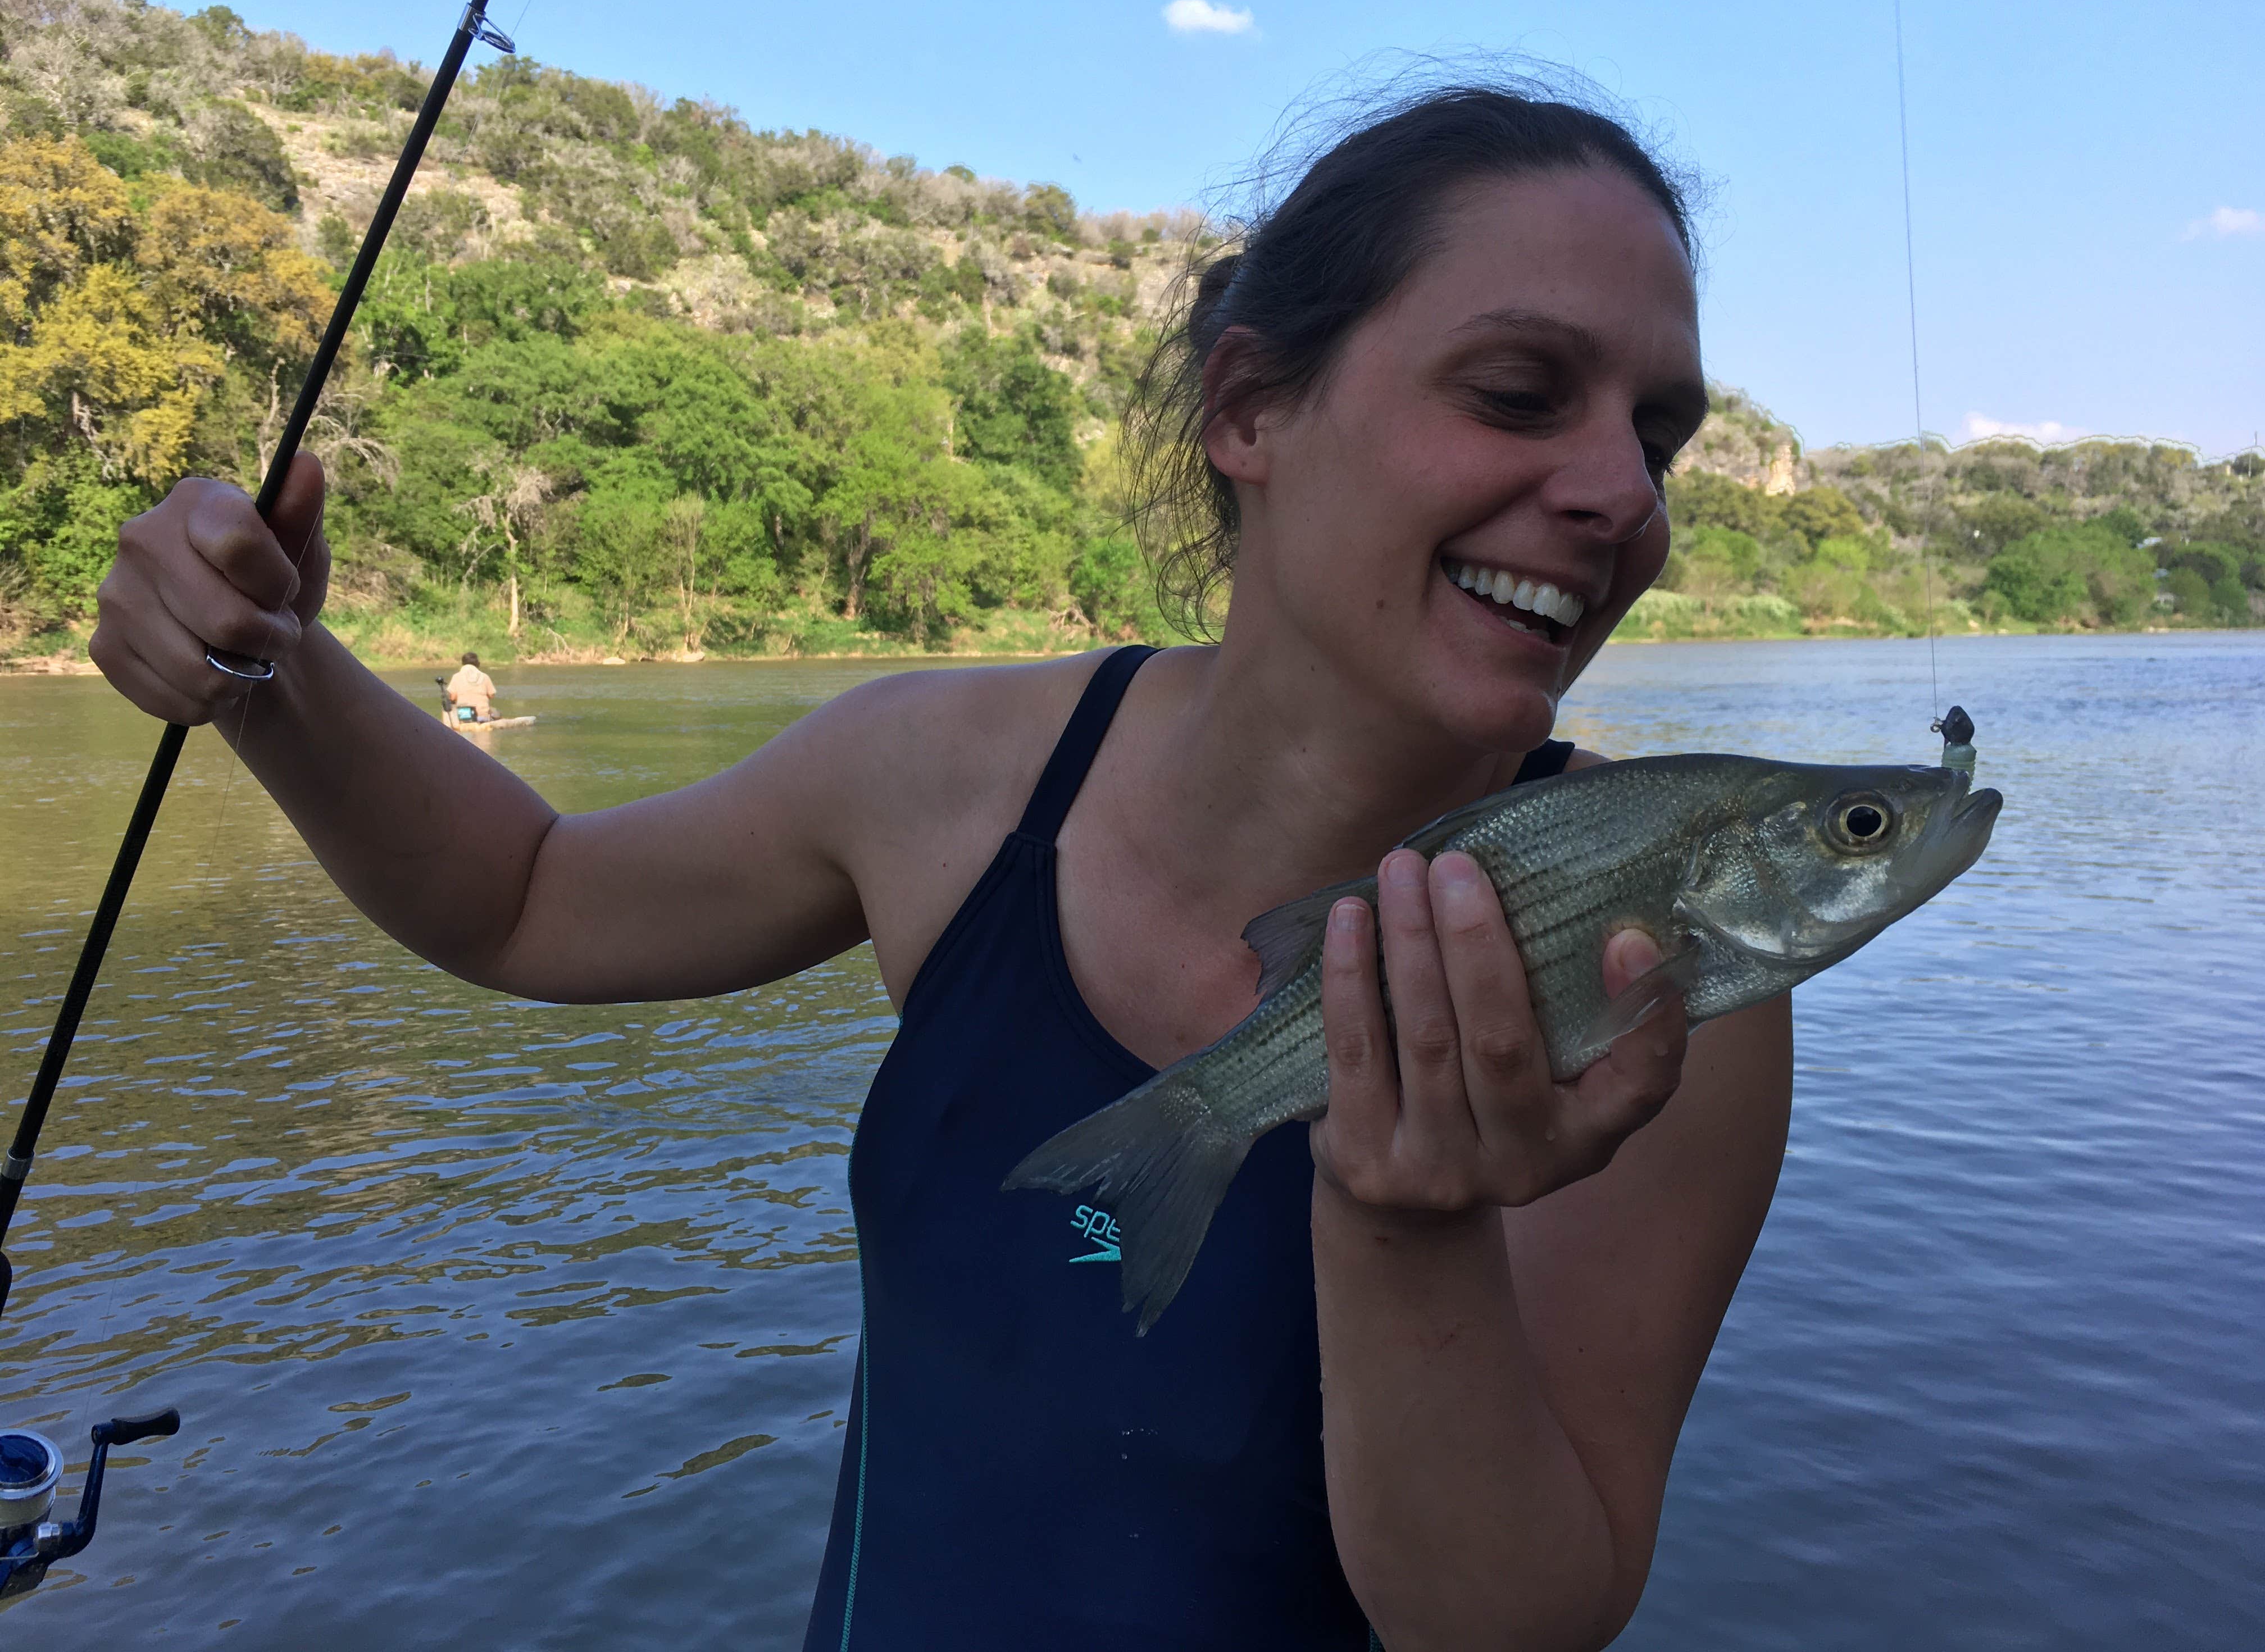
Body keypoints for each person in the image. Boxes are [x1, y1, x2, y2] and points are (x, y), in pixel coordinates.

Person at [86, 81, 1791, 1651]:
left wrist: (1407, 1227)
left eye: (1658, 436)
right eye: (1518, 394)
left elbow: (1513, 1623)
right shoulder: (957, 777)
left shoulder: (1667, 962)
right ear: (1251, 410)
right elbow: (524, 897)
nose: (1617, 495)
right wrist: (268, 667)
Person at [443, 651, 498, 723]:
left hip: (465, 716)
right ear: (477, 664)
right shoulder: (485, 677)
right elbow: (491, 695)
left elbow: (453, 697)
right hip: (483, 716)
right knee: (496, 712)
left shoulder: (457, 677)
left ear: (463, 663)